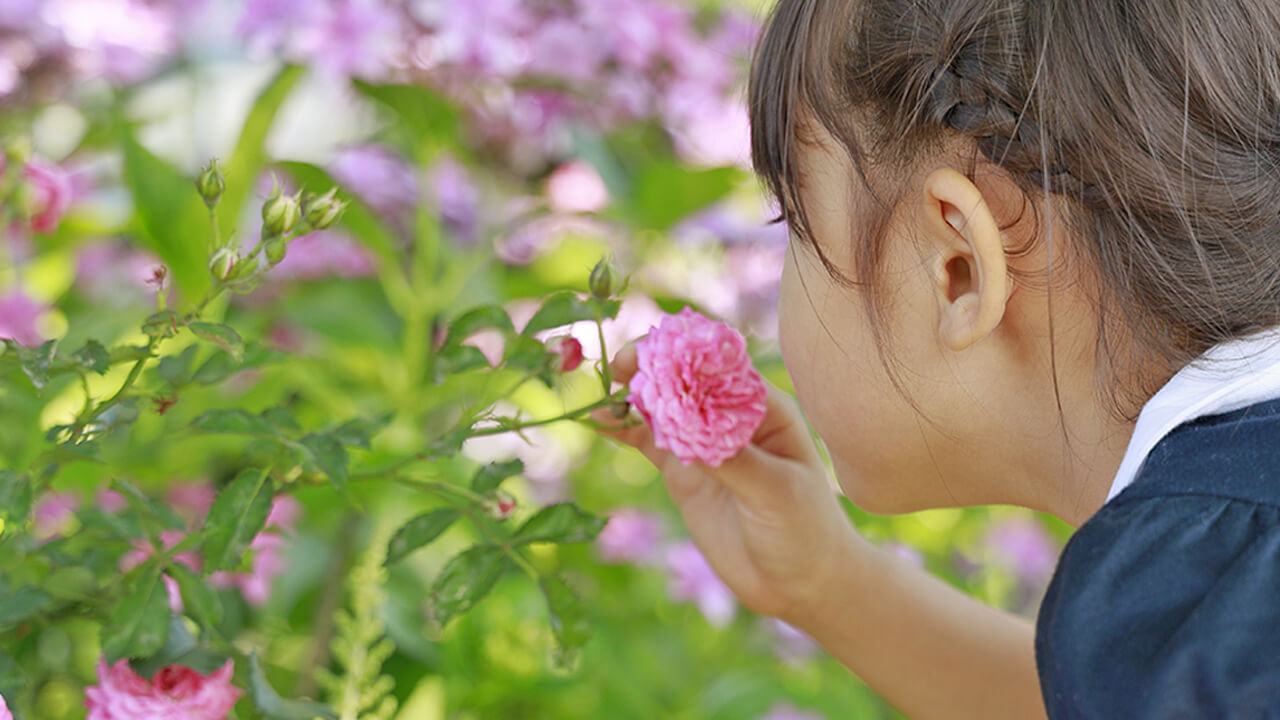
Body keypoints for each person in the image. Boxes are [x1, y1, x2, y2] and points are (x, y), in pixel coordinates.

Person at [595, 1, 1280, 718]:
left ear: (958, 269)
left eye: (794, 221)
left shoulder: (1200, 604)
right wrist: (828, 582)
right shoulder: (1211, 611)